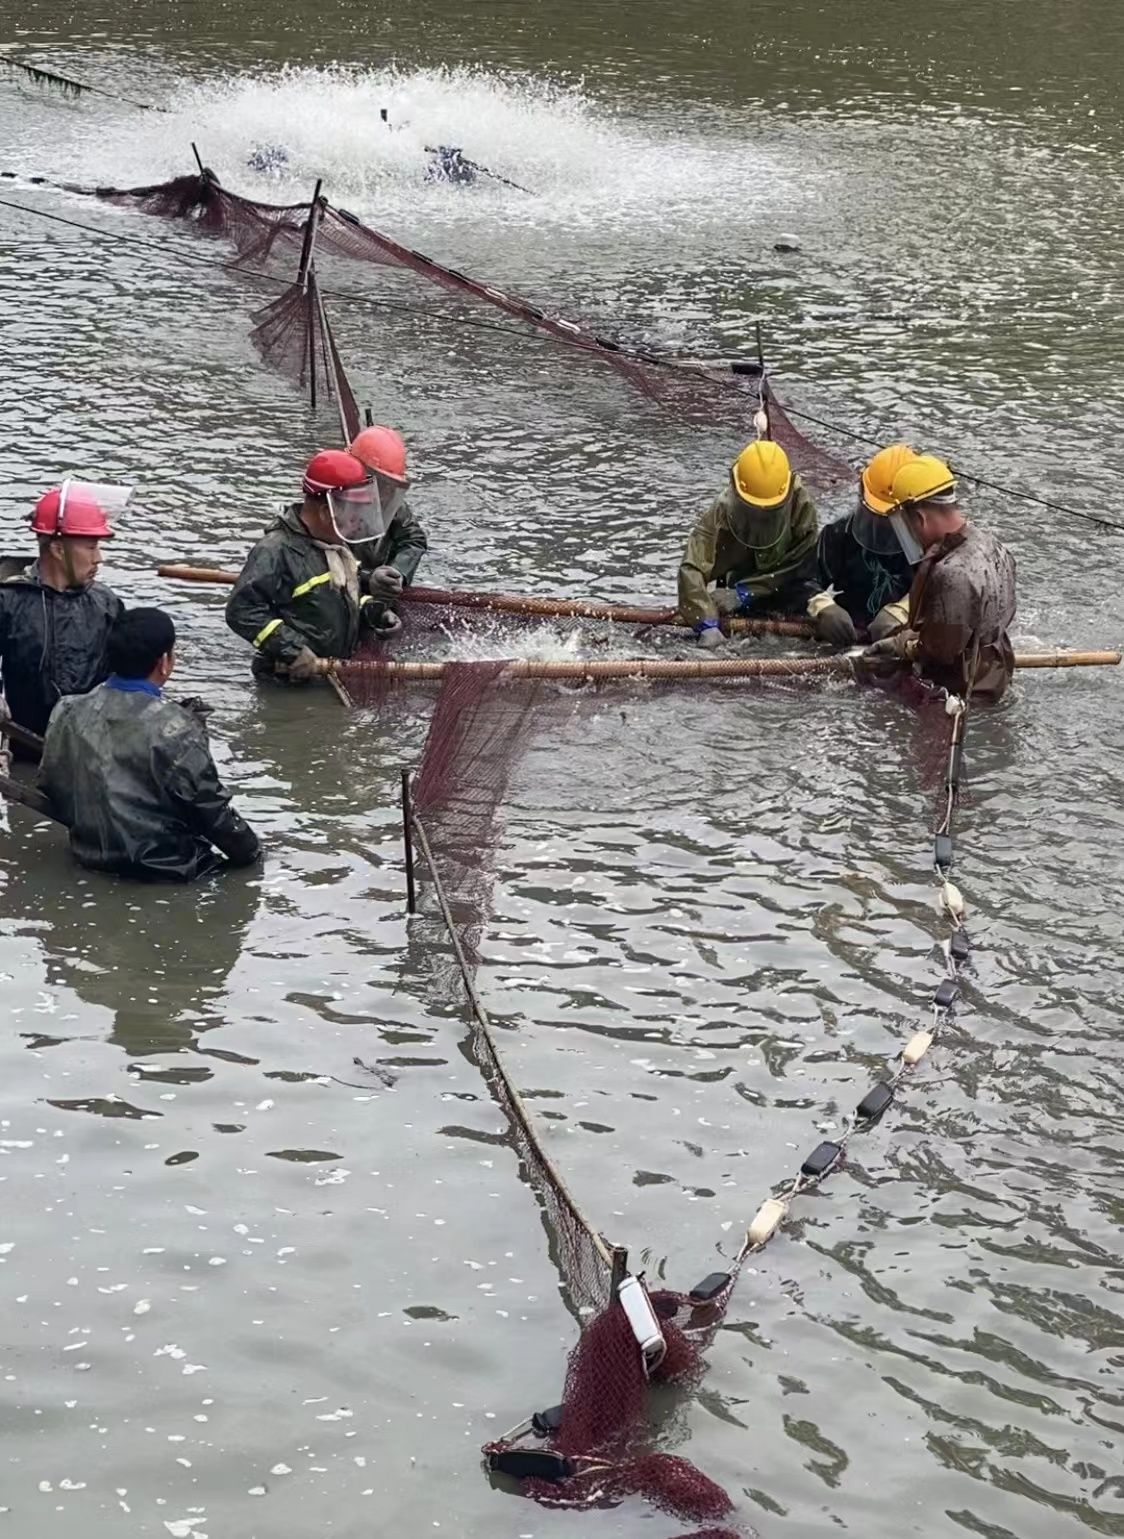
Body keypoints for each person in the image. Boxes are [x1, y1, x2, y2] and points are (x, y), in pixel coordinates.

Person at [39, 607, 261, 881]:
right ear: (164, 662)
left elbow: (51, 783)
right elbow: (212, 812)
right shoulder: (176, 728)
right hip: (167, 870)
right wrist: (253, 853)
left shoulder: (66, 711)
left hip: (88, 857)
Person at [225, 449, 400, 681]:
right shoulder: (275, 551)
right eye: (353, 513)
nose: (357, 522)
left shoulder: (335, 546)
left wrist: (373, 612)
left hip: (331, 672)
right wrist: (291, 649)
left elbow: (341, 597)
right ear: (327, 513)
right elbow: (241, 611)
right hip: (289, 683)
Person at [861, 456, 1017, 701]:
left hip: (962, 694)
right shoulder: (993, 545)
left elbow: (940, 652)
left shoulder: (952, 572)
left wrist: (903, 645)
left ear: (920, 519)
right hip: (996, 677)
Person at [0, 480, 125, 742]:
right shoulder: (9, 602)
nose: (99, 558)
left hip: (85, 745)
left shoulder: (106, 604)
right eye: (91, 547)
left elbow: (124, 674)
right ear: (58, 550)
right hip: (23, 741)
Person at [677, 440, 818, 648]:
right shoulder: (720, 513)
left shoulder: (801, 508)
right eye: (752, 511)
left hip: (786, 588)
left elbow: (802, 563)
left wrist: (746, 592)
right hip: (738, 585)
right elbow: (691, 568)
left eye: (767, 514)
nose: (759, 520)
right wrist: (706, 623)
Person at [806, 443, 920, 646]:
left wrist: (904, 610)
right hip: (851, 626)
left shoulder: (929, 539)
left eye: (891, 516)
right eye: (877, 514)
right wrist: (823, 606)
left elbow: (942, 587)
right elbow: (805, 578)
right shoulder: (839, 533)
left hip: (905, 633)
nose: (883, 523)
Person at [347, 424, 427, 617]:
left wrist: (396, 573)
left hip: (376, 592)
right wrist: (367, 579)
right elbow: (319, 564)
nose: (383, 495)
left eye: (390, 487)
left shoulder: (394, 505)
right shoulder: (330, 502)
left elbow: (414, 539)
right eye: (378, 484)